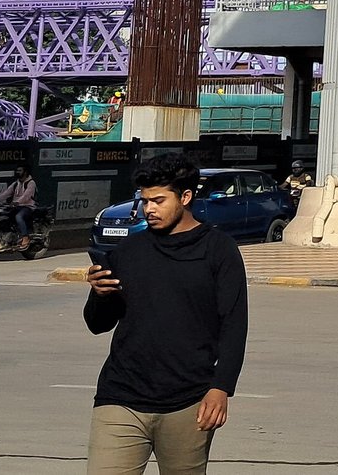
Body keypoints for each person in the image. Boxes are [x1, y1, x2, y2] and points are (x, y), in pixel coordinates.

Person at [84, 152, 248, 474]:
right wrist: (100, 295)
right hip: (121, 396)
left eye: (158, 200)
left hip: (188, 402)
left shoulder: (219, 250)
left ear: (186, 197)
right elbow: (97, 324)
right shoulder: (129, 252)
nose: (149, 209)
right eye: (145, 201)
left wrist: (221, 387)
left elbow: (234, 324)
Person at [0, 164, 38, 248]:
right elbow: (6, 193)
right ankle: (7, 238)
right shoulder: (16, 184)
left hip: (28, 207)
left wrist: (17, 202)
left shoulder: (31, 183)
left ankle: (25, 237)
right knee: (2, 217)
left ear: (25, 172)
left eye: (20, 170)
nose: (17, 172)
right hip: (16, 206)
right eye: (17, 171)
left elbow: (26, 196)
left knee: (19, 217)